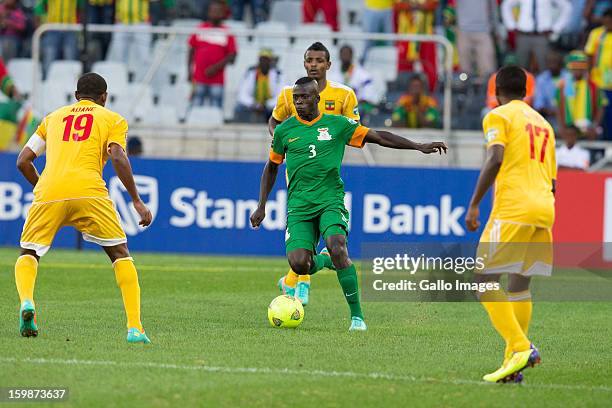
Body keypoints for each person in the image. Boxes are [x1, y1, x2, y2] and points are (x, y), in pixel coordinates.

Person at [251, 76, 447, 331]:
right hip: (299, 206)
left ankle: (357, 318)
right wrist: (261, 205)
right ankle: (325, 260)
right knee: (299, 264)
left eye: (304, 97)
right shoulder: (284, 131)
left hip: (330, 201)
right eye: (296, 98)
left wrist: (418, 146)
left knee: (337, 244)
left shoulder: (338, 124)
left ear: (317, 98)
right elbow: (271, 168)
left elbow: (379, 137)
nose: (299, 102)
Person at [13, 73, 153, 343]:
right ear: (104, 98)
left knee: (29, 251)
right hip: (89, 191)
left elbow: (23, 161)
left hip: (49, 190)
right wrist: (135, 199)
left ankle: (27, 301)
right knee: (120, 254)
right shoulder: (112, 118)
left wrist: (44, 188)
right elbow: (117, 155)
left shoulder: (52, 118)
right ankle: (135, 328)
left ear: (76, 96)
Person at [466, 65, 556, 383]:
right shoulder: (544, 124)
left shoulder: (499, 115)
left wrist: (475, 203)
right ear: (526, 91)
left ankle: (520, 346)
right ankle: (512, 363)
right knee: (519, 286)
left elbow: (496, 157)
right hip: (545, 207)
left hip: (514, 208)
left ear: (496, 91)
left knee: (482, 281)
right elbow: (553, 179)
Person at [268, 41, 361, 306]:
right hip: (298, 173)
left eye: (319, 61)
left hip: (328, 170)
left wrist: (324, 144)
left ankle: (293, 280)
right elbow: (275, 120)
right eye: (309, 61)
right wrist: (282, 140)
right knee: (305, 234)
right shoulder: (290, 93)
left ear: (328, 65)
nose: (313, 65)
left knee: (325, 236)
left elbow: (353, 130)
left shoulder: (344, 95)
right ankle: (302, 284)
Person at [188, 0, 237, 108]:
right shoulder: (200, 28)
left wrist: (215, 68)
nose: (215, 13)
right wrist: (189, 71)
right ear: (208, 12)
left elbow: (232, 55)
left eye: (218, 11)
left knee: (216, 109)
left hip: (217, 80)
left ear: (223, 14)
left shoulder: (227, 32)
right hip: (198, 78)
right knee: (195, 108)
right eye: (213, 11)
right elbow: (191, 50)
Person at [501, 0, 572, 73]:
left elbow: (566, 7)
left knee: (545, 68)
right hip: (523, 35)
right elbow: (506, 5)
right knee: (521, 69)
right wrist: (511, 25)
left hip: (542, 36)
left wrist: (556, 28)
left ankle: (544, 84)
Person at [556, 50, 607, 139]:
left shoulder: (593, 86)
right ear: (569, 67)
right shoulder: (562, 85)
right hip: (569, 130)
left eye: (580, 67)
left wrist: (594, 126)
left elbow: (600, 107)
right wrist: (562, 128)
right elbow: (558, 107)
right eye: (575, 67)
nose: (578, 70)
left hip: (588, 129)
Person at [235, 48, 283, 123]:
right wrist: (254, 104)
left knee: (281, 110)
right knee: (239, 108)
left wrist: (266, 105)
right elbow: (242, 94)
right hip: (253, 105)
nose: (264, 62)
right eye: (262, 59)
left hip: (270, 107)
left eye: (267, 59)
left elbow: (281, 96)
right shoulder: (251, 73)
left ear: (270, 61)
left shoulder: (279, 75)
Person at [584, 8, 612, 139]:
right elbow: (589, 55)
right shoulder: (596, 34)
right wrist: (588, 77)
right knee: (597, 119)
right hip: (598, 83)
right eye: (606, 20)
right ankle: (597, 149)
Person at [34, 0, 80, 76]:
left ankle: (71, 80)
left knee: (70, 58)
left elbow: (81, 9)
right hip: (52, 28)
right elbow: (39, 8)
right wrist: (39, 26)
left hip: (71, 29)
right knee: (49, 57)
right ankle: (46, 81)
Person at [456, 0, 497, 82]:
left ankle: (485, 91)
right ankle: (466, 91)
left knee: (488, 71)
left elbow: (493, 9)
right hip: (464, 31)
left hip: (484, 31)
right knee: (464, 72)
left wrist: (495, 28)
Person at [329, 44, 378, 109]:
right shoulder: (333, 75)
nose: (345, 56)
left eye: (347, 54)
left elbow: (367, 94)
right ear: (339, 56)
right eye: (343, 54)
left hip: (357, 106)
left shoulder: (363, 75)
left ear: (352, 55)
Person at [533, 50, 567, 125]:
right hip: (548, 119)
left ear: (561, 63)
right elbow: (538, 105)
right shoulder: (541, 79)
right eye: (550, 62)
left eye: (555, 62)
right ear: (546, 63)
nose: (552, 65)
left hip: (567, 118)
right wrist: (553, 112)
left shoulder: (568, 77)